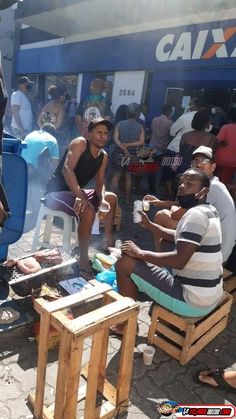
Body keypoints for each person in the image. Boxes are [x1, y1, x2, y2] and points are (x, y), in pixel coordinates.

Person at [113, 168, 224, 334]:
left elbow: (179, 260)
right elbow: (183, 238)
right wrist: (152, 226)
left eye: (189, 184)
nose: (182, 187)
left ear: (204, 191)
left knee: (124, 263)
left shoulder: (195, 216)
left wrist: (140, 254)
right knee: (159, 246)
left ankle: (126, 327)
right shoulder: (210, 211)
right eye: (180, 184)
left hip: (191, 302)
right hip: (211, 296)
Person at [44, 117, 117, 279]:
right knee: (88, 210)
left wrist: (102, 198)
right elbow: (67, 170)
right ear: (90, 133)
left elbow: (100, 183)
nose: (102, 136)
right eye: (99, 132)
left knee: (112, 198)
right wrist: (80, 196)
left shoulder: (103, 156)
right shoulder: (80, 144)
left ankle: (107, 243)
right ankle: (83, 260)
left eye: (105, 133)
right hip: (54, 193)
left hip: (74, 193)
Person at [144, 146, 236, 263]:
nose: (198, 164)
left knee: (161, 216)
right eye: (195, 161)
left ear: (213, 167)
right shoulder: (211, 184)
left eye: (204, 161)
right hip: (215, 244)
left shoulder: (211, 187)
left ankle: (160, 262)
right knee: (166, 216)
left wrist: (168, 207)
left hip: (216, 253)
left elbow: (178, 213)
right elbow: (187, 203)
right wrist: (162, 203)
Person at [110, 103, 145, 202]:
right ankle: (128, 199)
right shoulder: (140, 126)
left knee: (117, 175)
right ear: (137, 114)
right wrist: (129, 146)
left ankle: (109, 198)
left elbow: (115, 139)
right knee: (129, 175)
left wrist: (124, 147)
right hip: (133, 155)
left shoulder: (120, 124)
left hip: (119, 153)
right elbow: (141, 142)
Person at [177, 109, 216, 174]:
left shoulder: (185, 135)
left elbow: (181, 154)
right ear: (207, 123)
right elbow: (210, 157)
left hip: (182, 170)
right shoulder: (211, 138)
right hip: (198, 173)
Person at [215, 107, 236, 186]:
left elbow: (218, 142)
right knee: (225, 182)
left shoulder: (225, 127)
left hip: (220, 159)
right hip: (233, 161)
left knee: (213, 178)